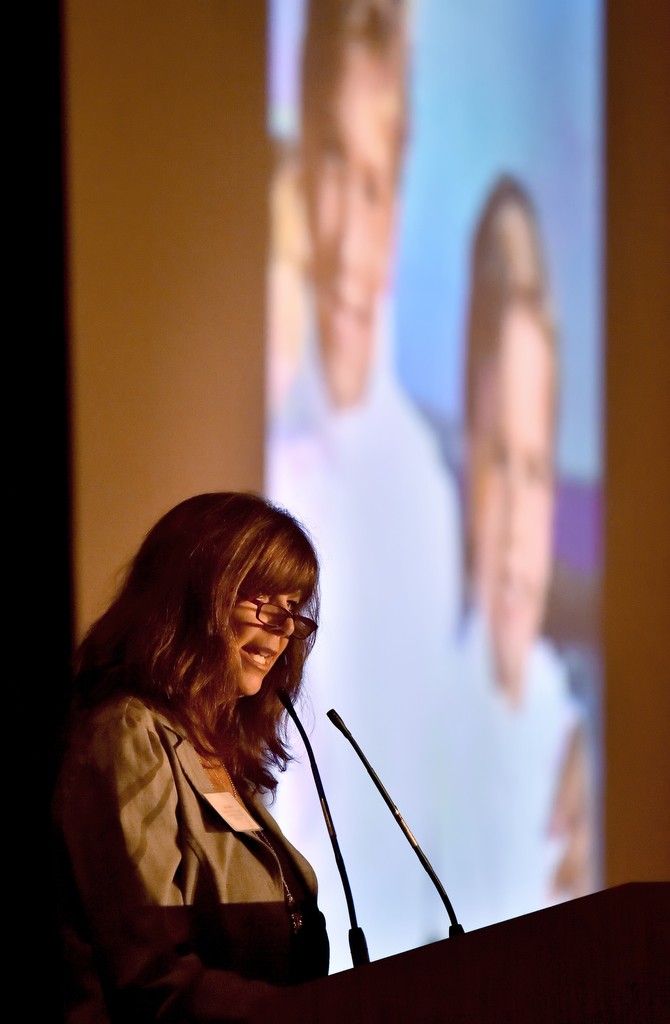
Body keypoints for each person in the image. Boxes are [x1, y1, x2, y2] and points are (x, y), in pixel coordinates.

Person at [266, 0, 463, 969]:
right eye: (330, 169)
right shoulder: (262, 421)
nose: (348, 228)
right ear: (298, 174)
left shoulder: (428, 498)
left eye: (376, 185)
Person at [51, 491, 330, 1023]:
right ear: (191, 590)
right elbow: (148, 975)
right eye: (260, 596)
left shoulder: (219, 759)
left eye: (293, 606)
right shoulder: (128, 733)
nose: (282, 628)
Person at [436, 175, 597, 933]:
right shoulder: (422, 720)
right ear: (467, 461)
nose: (515, 529)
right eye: (499, 461)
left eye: (535, 470)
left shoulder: (574, 724)